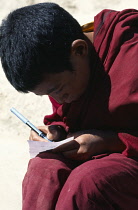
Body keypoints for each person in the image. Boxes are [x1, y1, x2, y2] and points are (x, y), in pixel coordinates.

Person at [0, 2, 138, 210]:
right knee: (43, 169)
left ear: (79, 50)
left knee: (88, 182)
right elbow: (67, 115)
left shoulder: (132, 54)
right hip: (98, 155)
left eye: (58, 89)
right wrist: (55, 131)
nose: (58, 99)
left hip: (126, 159)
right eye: (46, 94)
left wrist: (108, 142)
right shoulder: (61, 63)